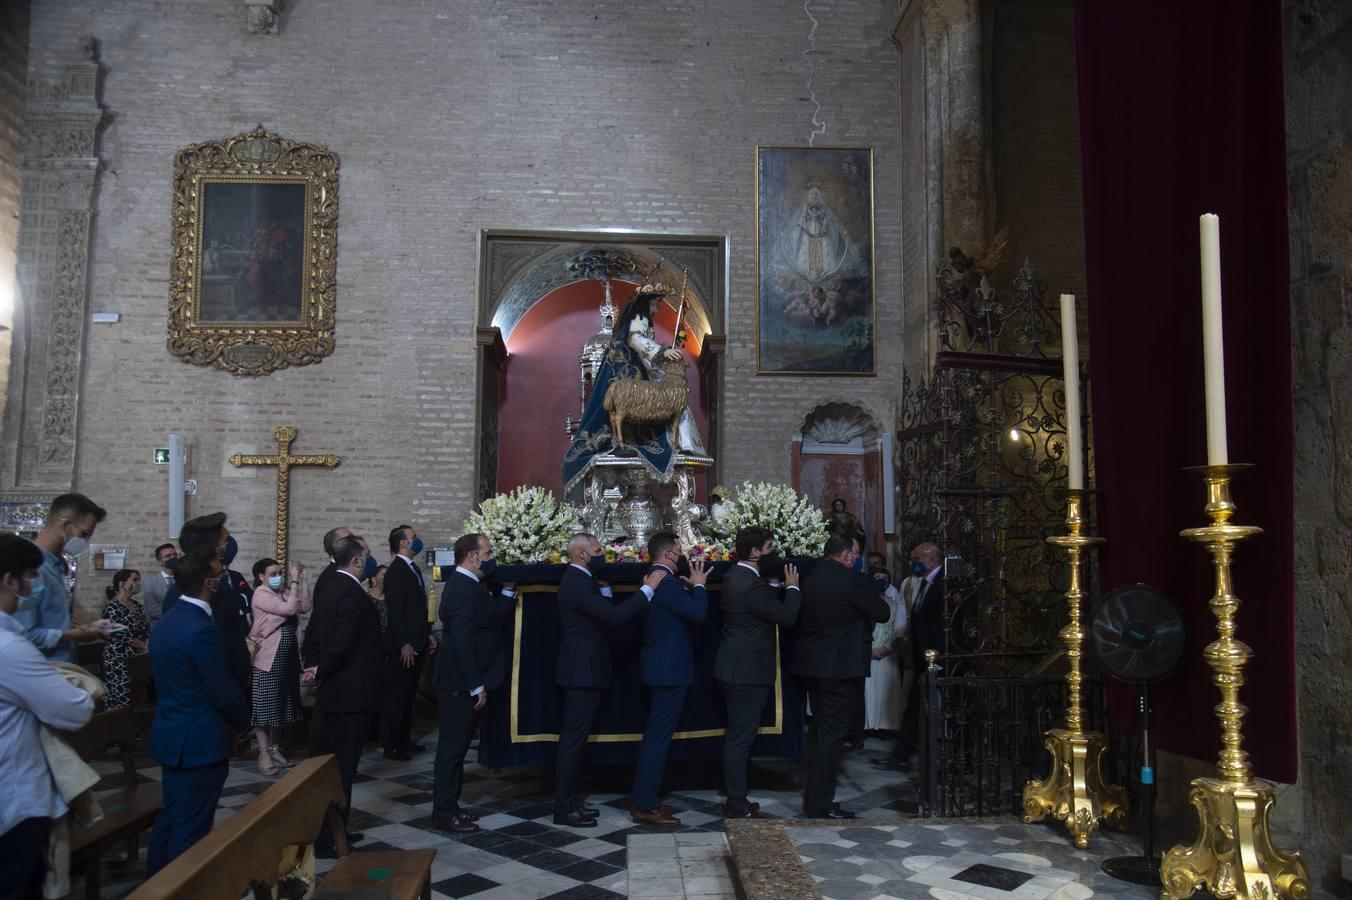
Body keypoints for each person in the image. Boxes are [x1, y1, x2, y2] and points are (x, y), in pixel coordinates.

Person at [0, 535, 95, 897]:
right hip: (15, 801)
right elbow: (72, 711)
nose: (32, 586)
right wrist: (82, 689)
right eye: (28, 577)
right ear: (10, 580)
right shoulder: (9, 647)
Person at [146, 547, 250, 875]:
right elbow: (221, 688)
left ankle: (155, 885)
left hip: (171, 733)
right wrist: (246, 723)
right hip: (200, 741)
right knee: (191, 830)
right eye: (221, 576)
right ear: (209, 584)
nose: (225, 581)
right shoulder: (202, 629)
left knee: (170, 819)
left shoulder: (169, 620)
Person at [552, 533, 658, 827]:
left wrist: (606, 591)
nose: (603, 555)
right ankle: (564, 807)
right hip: (581, 670)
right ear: (581, 555)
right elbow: (613, 617)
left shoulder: (582, 580)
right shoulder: (576, 582)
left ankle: (571, 801)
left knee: (577, 739)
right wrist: (646, 590)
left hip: (586, 667)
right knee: (572, 741)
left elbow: (595, 612)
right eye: (598, 551)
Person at [562, 281, 706, 495]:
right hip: (630, 371)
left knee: (672, 403)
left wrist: (660, 356)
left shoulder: (645, 319)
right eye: (657, 302)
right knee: (656, 404)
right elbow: (636, 339)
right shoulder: (639, 318)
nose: (659, 306)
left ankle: (679, 443)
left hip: (643, 368)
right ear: (647, 302)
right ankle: (661, 441)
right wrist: (662, 351)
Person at [792, 534, 890, 818]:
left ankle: (814, 800)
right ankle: (819, 805)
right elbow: (882, 613)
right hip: (840, 670)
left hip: (812, 667)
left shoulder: (808, 576)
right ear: (847, 555)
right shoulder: (852, 581)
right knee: (831, 737)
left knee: (820, 733)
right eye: (856, 553)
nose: (857, 559)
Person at [431, 533, 518, 834]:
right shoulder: (460, 589)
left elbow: (490, 619)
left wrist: (507, 593)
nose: (493, 558)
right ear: (472, 556)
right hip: (460, 683)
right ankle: (444, 812)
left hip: (469, 680)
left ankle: (450, 807)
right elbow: (460, 642)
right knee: (452, 751)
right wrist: (474, 685)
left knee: (457, 749)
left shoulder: (471, 586)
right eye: (489, 552)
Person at [302, 535, 383, 856]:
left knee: (333, 767)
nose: (369, 561)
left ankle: (334, 831)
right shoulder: (350, 592)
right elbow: (343, 643)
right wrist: (318, 670)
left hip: (336, 691)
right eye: (367, 556)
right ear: (357, 561)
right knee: (341, 769)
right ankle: (330, 838)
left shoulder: (328, 585)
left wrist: (313, 665)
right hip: (350, 695)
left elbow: (314, 632)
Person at [714, 527, 801, 819]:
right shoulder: (751, 585)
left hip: (733, 667)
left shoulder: (734, 576)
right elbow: (786, 617)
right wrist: (792, 587)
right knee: (740, 739)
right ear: (755, 553)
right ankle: (736, 803)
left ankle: (736, 797)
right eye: (768, 547)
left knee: (737, 737)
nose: (771, 553)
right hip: (746, 672)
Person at [630, 531, 709, 826]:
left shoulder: (654, 579)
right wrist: (699, 587)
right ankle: (644, 805)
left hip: (659, 666)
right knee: (657, 739)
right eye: (679, 549)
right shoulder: (666, 581)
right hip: (669, 670)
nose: (683, 554)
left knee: (656, 737)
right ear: (669, 555)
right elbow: (699, 614)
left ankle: (646, 800)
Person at [14, 492, 113, 660]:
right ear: (66, 526)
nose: (85, 541)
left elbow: (51, 622)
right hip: (42, 670)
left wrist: (87, 629)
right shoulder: (31, 566)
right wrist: (78, 635)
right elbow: (24, 635)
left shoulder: (55, 564)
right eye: (84, 534)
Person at [163, 513, 252, 691]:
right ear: (213, 548)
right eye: (226, 540)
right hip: (207, 696)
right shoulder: (197, 591)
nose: (229, 545)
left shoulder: (219, 585)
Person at [884, 542, 945, 770]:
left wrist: (937, 655)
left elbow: (942, 624)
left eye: (916, 559)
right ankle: (901, 754)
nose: (913, 563)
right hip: (922, 657)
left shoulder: (942, 584)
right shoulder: (923, 583)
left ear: (930, 560)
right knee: (913, 705)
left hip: (935, 658)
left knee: (928, 705)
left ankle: (910, 754)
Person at [247, 557, 309, 776]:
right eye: (272, 574)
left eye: (279, 573)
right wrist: (292, 583)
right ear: (261, 577)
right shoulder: (261, 594)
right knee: (265, 707)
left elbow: (304, 606)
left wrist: (302, 580)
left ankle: (275, 748)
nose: (277, 577)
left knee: (280, 705)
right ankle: (263, 753)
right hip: (268, 659)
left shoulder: (283, 591)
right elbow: (289, 610)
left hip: (288, 658)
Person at [381, 525, 435, 761]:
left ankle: (404, 739)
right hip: (404, 646)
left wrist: (427, 633)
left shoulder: (411, 569)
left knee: (408, 694)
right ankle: (392, 744)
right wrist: (404, 642)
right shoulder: (396, 571)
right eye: (413, 537)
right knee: (397, 696)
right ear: (403, 543)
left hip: (418, 640)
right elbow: (396, 611)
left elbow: (415, 608)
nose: (417, 540)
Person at [301, 525, 353, 671]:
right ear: (337, 546)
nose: (353, 542)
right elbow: (323, 619)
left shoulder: (341, 573)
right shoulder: (332, 576)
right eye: (349, 539)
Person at [863, 554, 905, 733]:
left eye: (884, 578)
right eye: (877, 578)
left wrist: (887, 648)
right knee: (868, 691)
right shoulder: (865, 603)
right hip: (868, 653)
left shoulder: (895, 604)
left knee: (886, 690)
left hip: (886, 654)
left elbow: (899, 629)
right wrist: (869, 651)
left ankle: (887, 726)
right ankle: (868, 725)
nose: (880, 581)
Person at [100, 569, 150, 710]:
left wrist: (146, 642)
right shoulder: (112, 608)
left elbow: (145, 628)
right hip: (119, 658)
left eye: (138, 580)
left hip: (138, 656)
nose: (138, 583)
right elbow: (118, 634)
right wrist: (142, 645)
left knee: (140, 696)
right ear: (122, 584)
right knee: (123, 697)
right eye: (134, 580)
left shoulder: (137, 606)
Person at [143, 543, 178, 626]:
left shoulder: (186, 579)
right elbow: (152, 611)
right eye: (168, 556)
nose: (173, 558)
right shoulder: (150, 583)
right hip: (161, 626)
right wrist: (181, 610)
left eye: (175, 555)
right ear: (160, 562)